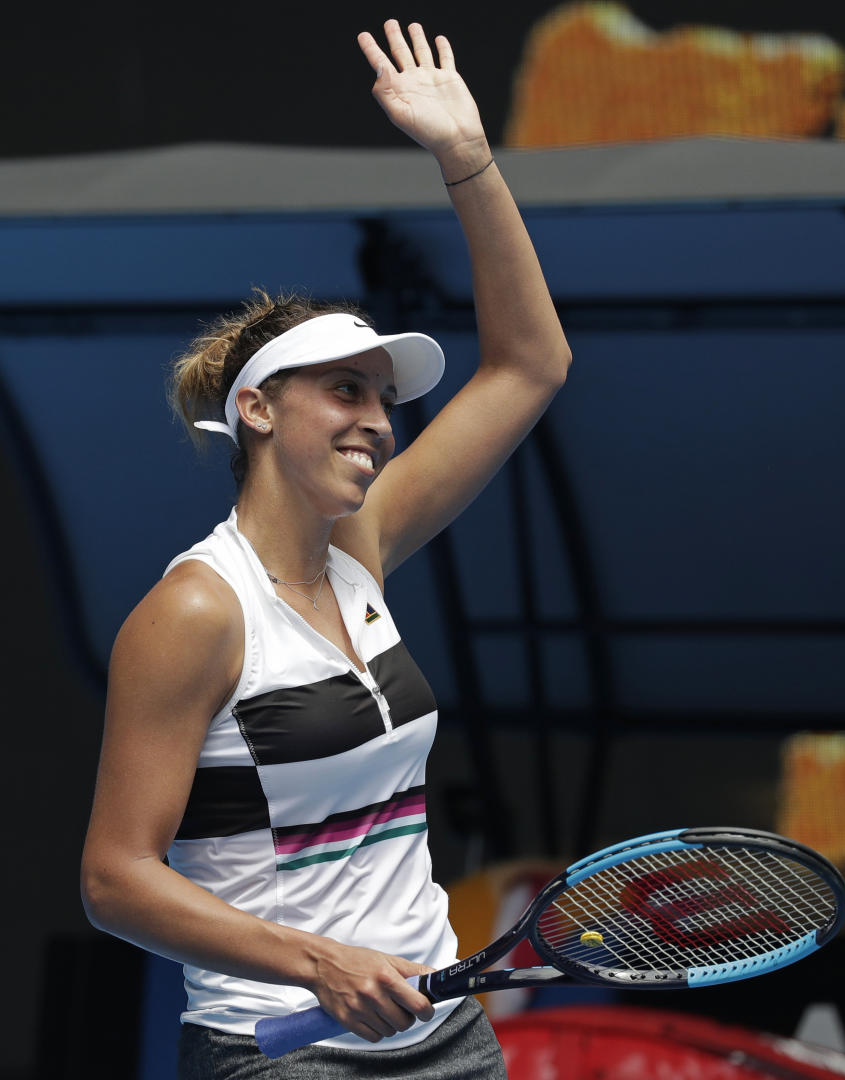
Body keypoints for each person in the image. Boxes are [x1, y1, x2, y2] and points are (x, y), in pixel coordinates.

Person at [80, 19, 570, 1079]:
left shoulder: (365, 548)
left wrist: (467, 160)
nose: (378, 420)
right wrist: (318, 965)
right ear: (256, 409)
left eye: (384, 399)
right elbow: (115, 880)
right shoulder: (199, 613)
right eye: (345, 390)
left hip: (445, 1024)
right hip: (284, 1049)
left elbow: (530, 364)